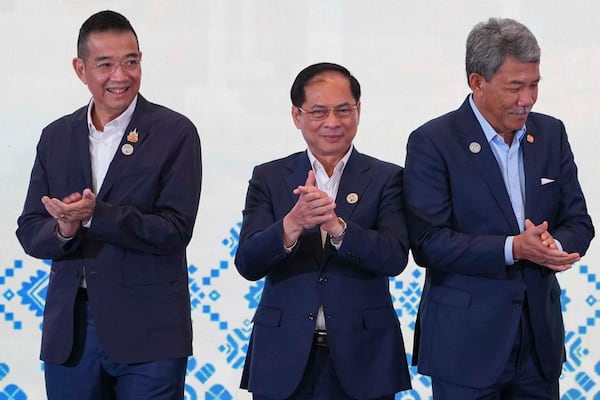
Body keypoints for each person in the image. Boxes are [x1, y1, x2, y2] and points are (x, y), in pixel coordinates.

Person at [404, 17, 594, 399]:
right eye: (515, 87)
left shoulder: (551, 134)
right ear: (477, 82)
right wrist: (513, 248)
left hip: (538, 343)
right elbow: (428, 242)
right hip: (465, 346)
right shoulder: (433, 141)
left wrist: (551, 244)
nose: (528, 99)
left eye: (534, 85)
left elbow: (579, 221)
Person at [16, 10, 202, 400]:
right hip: (73, 333)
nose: (121, 76)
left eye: (130, 62)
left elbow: (175, 229)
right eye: (106, 65)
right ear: (80, 69)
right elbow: (30, 229)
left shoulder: (174, 133)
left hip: (150, 334)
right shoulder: (56, 136)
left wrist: (96, 216)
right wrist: (64, 229)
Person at [235, 62, 411, 400]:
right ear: (296, 116)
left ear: (358, 111)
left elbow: (394, 257)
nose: (332, 122)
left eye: (343, 110)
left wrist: (338, 228)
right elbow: (247, 262)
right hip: (283, 354)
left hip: (364, 355)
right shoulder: (269, 177)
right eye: (319, 112)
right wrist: (292, 224)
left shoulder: (387, 177)